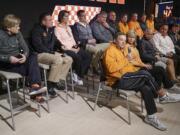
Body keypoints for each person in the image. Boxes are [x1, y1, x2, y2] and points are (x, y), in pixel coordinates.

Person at [103, 32, 167, 131]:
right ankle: (161, 95)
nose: (123, 42)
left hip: (127, 77)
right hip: (117, 80)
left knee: (145, 87)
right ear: (115, 40)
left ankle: (151, 117)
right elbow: (111, 69)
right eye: (121, 39)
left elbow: (128, 66)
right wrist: (126, 60)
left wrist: (136, 71)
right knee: (145, 75)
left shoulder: (123, 50)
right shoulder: (110, 51)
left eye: (124, 40)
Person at [0, 14, 46, 102]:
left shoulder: (18, 33)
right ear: (8, 28)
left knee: (33, 56)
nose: (19, 28)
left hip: (18, 61)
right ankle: (36, 90)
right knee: (33, 69)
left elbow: (26, 49)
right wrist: (8, 58)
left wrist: (25, 55)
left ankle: (35, 88)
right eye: (16, 26)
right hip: (6, 64)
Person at [31, 12, 73, 97]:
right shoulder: (36, 30)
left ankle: (56, 81)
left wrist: (61, 46)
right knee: (58, 59)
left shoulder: (50, 29)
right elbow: (38, 46)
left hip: (50, 53)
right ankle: (50, 85)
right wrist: (52, 53)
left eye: (51, 19)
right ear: (43, 21)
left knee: (69, 59)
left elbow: (56, 40)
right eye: (49, 20)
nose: (52, 21)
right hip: (39, 54)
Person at [126, 30, 180, 95]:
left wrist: (144, 64)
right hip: (136, 69)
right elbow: (131, 61)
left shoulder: (134, 47)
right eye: (130, 37)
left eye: (133, 37)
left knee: (159, 69)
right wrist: (144, 65)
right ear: (127, 37)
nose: (131, 39)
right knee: (160, 69)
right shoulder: (128, 47)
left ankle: (159, 91)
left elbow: (138, 59)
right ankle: (165, 88)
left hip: (141, 66)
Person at [55, 10, 91, 85]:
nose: (68, 18)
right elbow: (60, 43)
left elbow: (73, 40)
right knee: (78, 57)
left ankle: (77, 74)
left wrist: (76, 47)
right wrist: (71, 49)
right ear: (61, 17)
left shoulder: (68, 27)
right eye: (66, 16)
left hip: (73, 47)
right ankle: (76, 75)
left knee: (87, 56)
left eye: (68, 16)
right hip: (66, 50)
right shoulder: (57, 29)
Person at [73, 10, 106, 74]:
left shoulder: (88, 25)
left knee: (107, 47)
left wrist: (94, 39)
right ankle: (94, 66)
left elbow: (91, 35)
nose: (85, 17)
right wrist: (88, 41)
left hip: (93, 43)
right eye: (83, 16)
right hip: (85, 45)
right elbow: (77, 40)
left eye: (85, 15)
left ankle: (94, 65)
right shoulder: (76, 26)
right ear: (79, 17)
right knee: (97, 51)